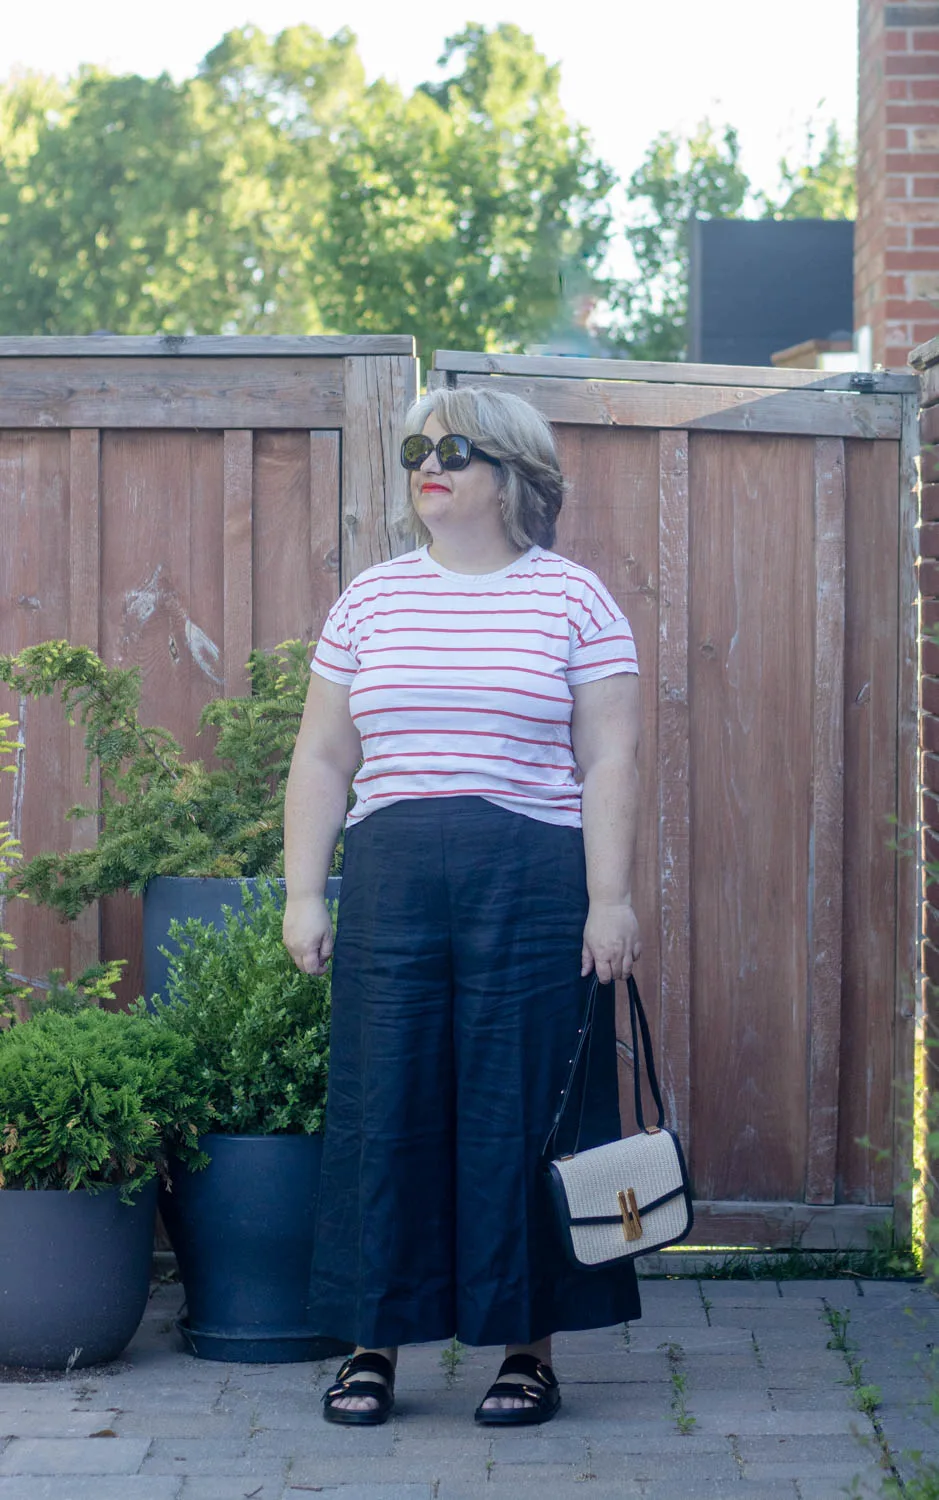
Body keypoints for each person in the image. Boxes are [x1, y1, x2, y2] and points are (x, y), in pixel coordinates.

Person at [283, 384, 642, 1429]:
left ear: (513, 472)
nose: (427, 464)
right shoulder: (371, 601)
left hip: (532, 881)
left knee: (522, 1113)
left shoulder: (574, 600)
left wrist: (609, 899)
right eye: (415, 449)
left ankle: (526, 1350)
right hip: (392, 874)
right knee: (380, 1108)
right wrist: (306, 890)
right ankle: (369, 1347)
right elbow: (322, 754)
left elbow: (610, 758)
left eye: (454, 448)